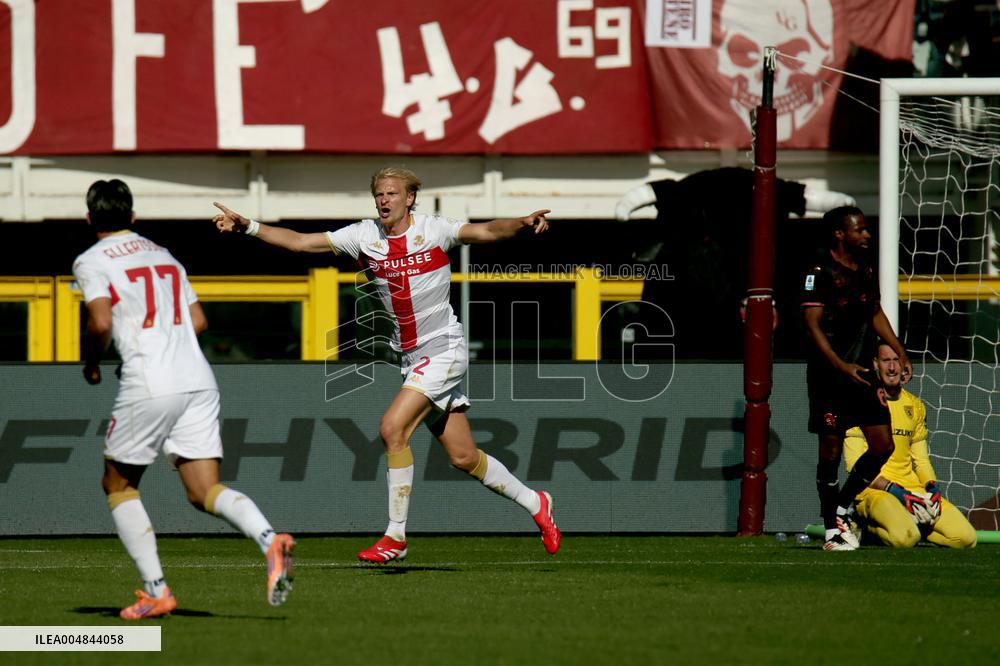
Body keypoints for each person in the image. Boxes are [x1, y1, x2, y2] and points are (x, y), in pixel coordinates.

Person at [212, 166, 561, 562]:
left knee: (392, 428)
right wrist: (247, 226)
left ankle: (396, 536)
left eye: (392, 193)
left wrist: (520, 222)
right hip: (411, 357)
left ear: (410, 199)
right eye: (379, 193)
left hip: (444, 348)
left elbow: (487, 232)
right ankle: (536, 502)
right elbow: (301, 243)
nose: (384, 200)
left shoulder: (434, 230)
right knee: (463, 456)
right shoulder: (364, 236)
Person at [74, 179, 295, 619]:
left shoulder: (92, 259)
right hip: (197, 377)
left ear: (88, 218)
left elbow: (99, 323)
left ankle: (157, 591)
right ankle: (270, 540)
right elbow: (198, 321)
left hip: (151, 380)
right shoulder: (164, 255)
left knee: (118, 485)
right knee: (203, 490)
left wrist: (92, 363)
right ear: (133, 217)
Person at [800, 206, 913, 551]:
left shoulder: (865, 268)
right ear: (839, 233)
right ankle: (831, 529)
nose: (866, 234)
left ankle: (840, 506)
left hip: (862, 373)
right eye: (859, 229)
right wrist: (840, 364)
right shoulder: (819, 272)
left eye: (866, 229)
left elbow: (874, 311)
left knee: (883, 446)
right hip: (829, 377)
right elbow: (812, 325)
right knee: (830, 454)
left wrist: (899, 350)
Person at [844, 343, 976, 548]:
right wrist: (896, 492)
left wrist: (932, 488)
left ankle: (914, 525)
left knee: (966, 538)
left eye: (896, 361)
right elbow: (854, 465)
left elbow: (921, 460)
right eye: (886, 361)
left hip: (912, 491)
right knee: (904, 539)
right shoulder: (860, 403)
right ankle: (863, 525)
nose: (892, 368)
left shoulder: (915, 406)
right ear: (876, 364)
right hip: (874, 492)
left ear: (904, 364)